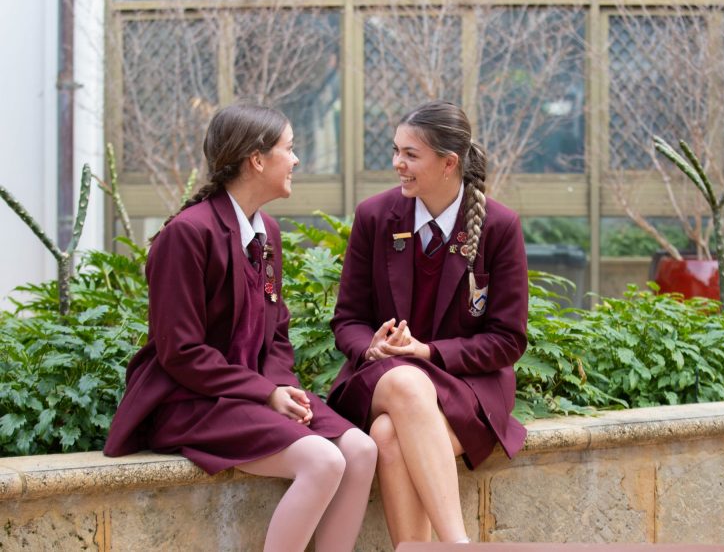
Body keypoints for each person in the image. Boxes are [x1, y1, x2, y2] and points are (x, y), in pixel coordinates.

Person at [104, 103, 377, 552]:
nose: (296, 160)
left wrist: (282, 390)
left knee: (362, 452)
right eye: (289, 149)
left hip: (255, 395)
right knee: (323, 460)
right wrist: (265, 394)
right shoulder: (187, 235)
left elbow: (277, 335)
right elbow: (181, 351)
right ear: (256, 159)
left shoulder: (265, 231)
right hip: (192, 401)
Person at [327, 100, 529, 545]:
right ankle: (458, 544)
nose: (397, 164)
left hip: (467, 383)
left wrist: (427, 352)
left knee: (388, 435)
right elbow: (349, 319)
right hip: (384, 377)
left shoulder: (499, 226)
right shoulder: (375, 216)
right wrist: (372, 348)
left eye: (410, 155)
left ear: (448, 163)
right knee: (404, 383)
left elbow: (508, 339)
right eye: (396, 150)